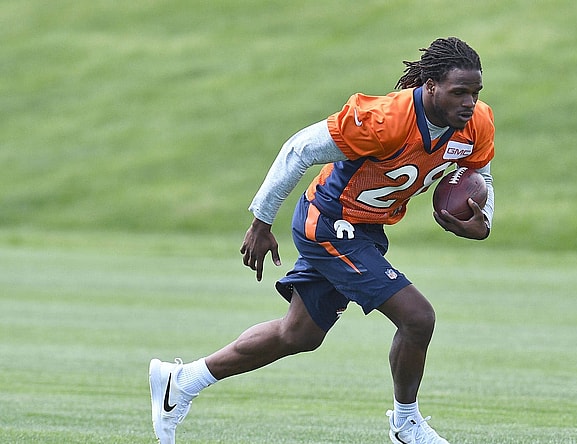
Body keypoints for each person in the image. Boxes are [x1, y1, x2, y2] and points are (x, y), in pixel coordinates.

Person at [149, 36, 495, 444]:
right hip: (330, 222)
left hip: (366, 227)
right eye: (459, 92)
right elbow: (298, 150)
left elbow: (481, 175)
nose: (469, 102)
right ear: (431, 86)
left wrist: (484, 221)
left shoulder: (476, 122)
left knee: (299, 335)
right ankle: (406, 425)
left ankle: (181, 382)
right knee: (418, 318)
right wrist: (261, 222)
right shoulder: (383, 119)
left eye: (475, 92)